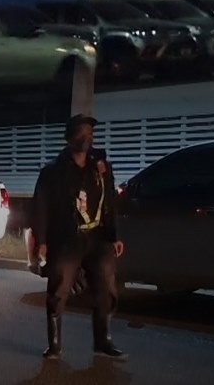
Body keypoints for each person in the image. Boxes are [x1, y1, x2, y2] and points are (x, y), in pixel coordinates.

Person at [32, 114, 126, 361]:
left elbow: (111, 202)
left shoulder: (101, 166)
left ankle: (103, 340)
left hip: (97, 236)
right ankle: (54, 344)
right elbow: (40, 207)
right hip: (67, 238)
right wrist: (41, 242)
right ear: (69, 138)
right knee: (59, 287)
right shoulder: (53, 171)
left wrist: (114, 235)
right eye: (81, 134)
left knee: (106, 284)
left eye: (90, 134)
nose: (87, 139)